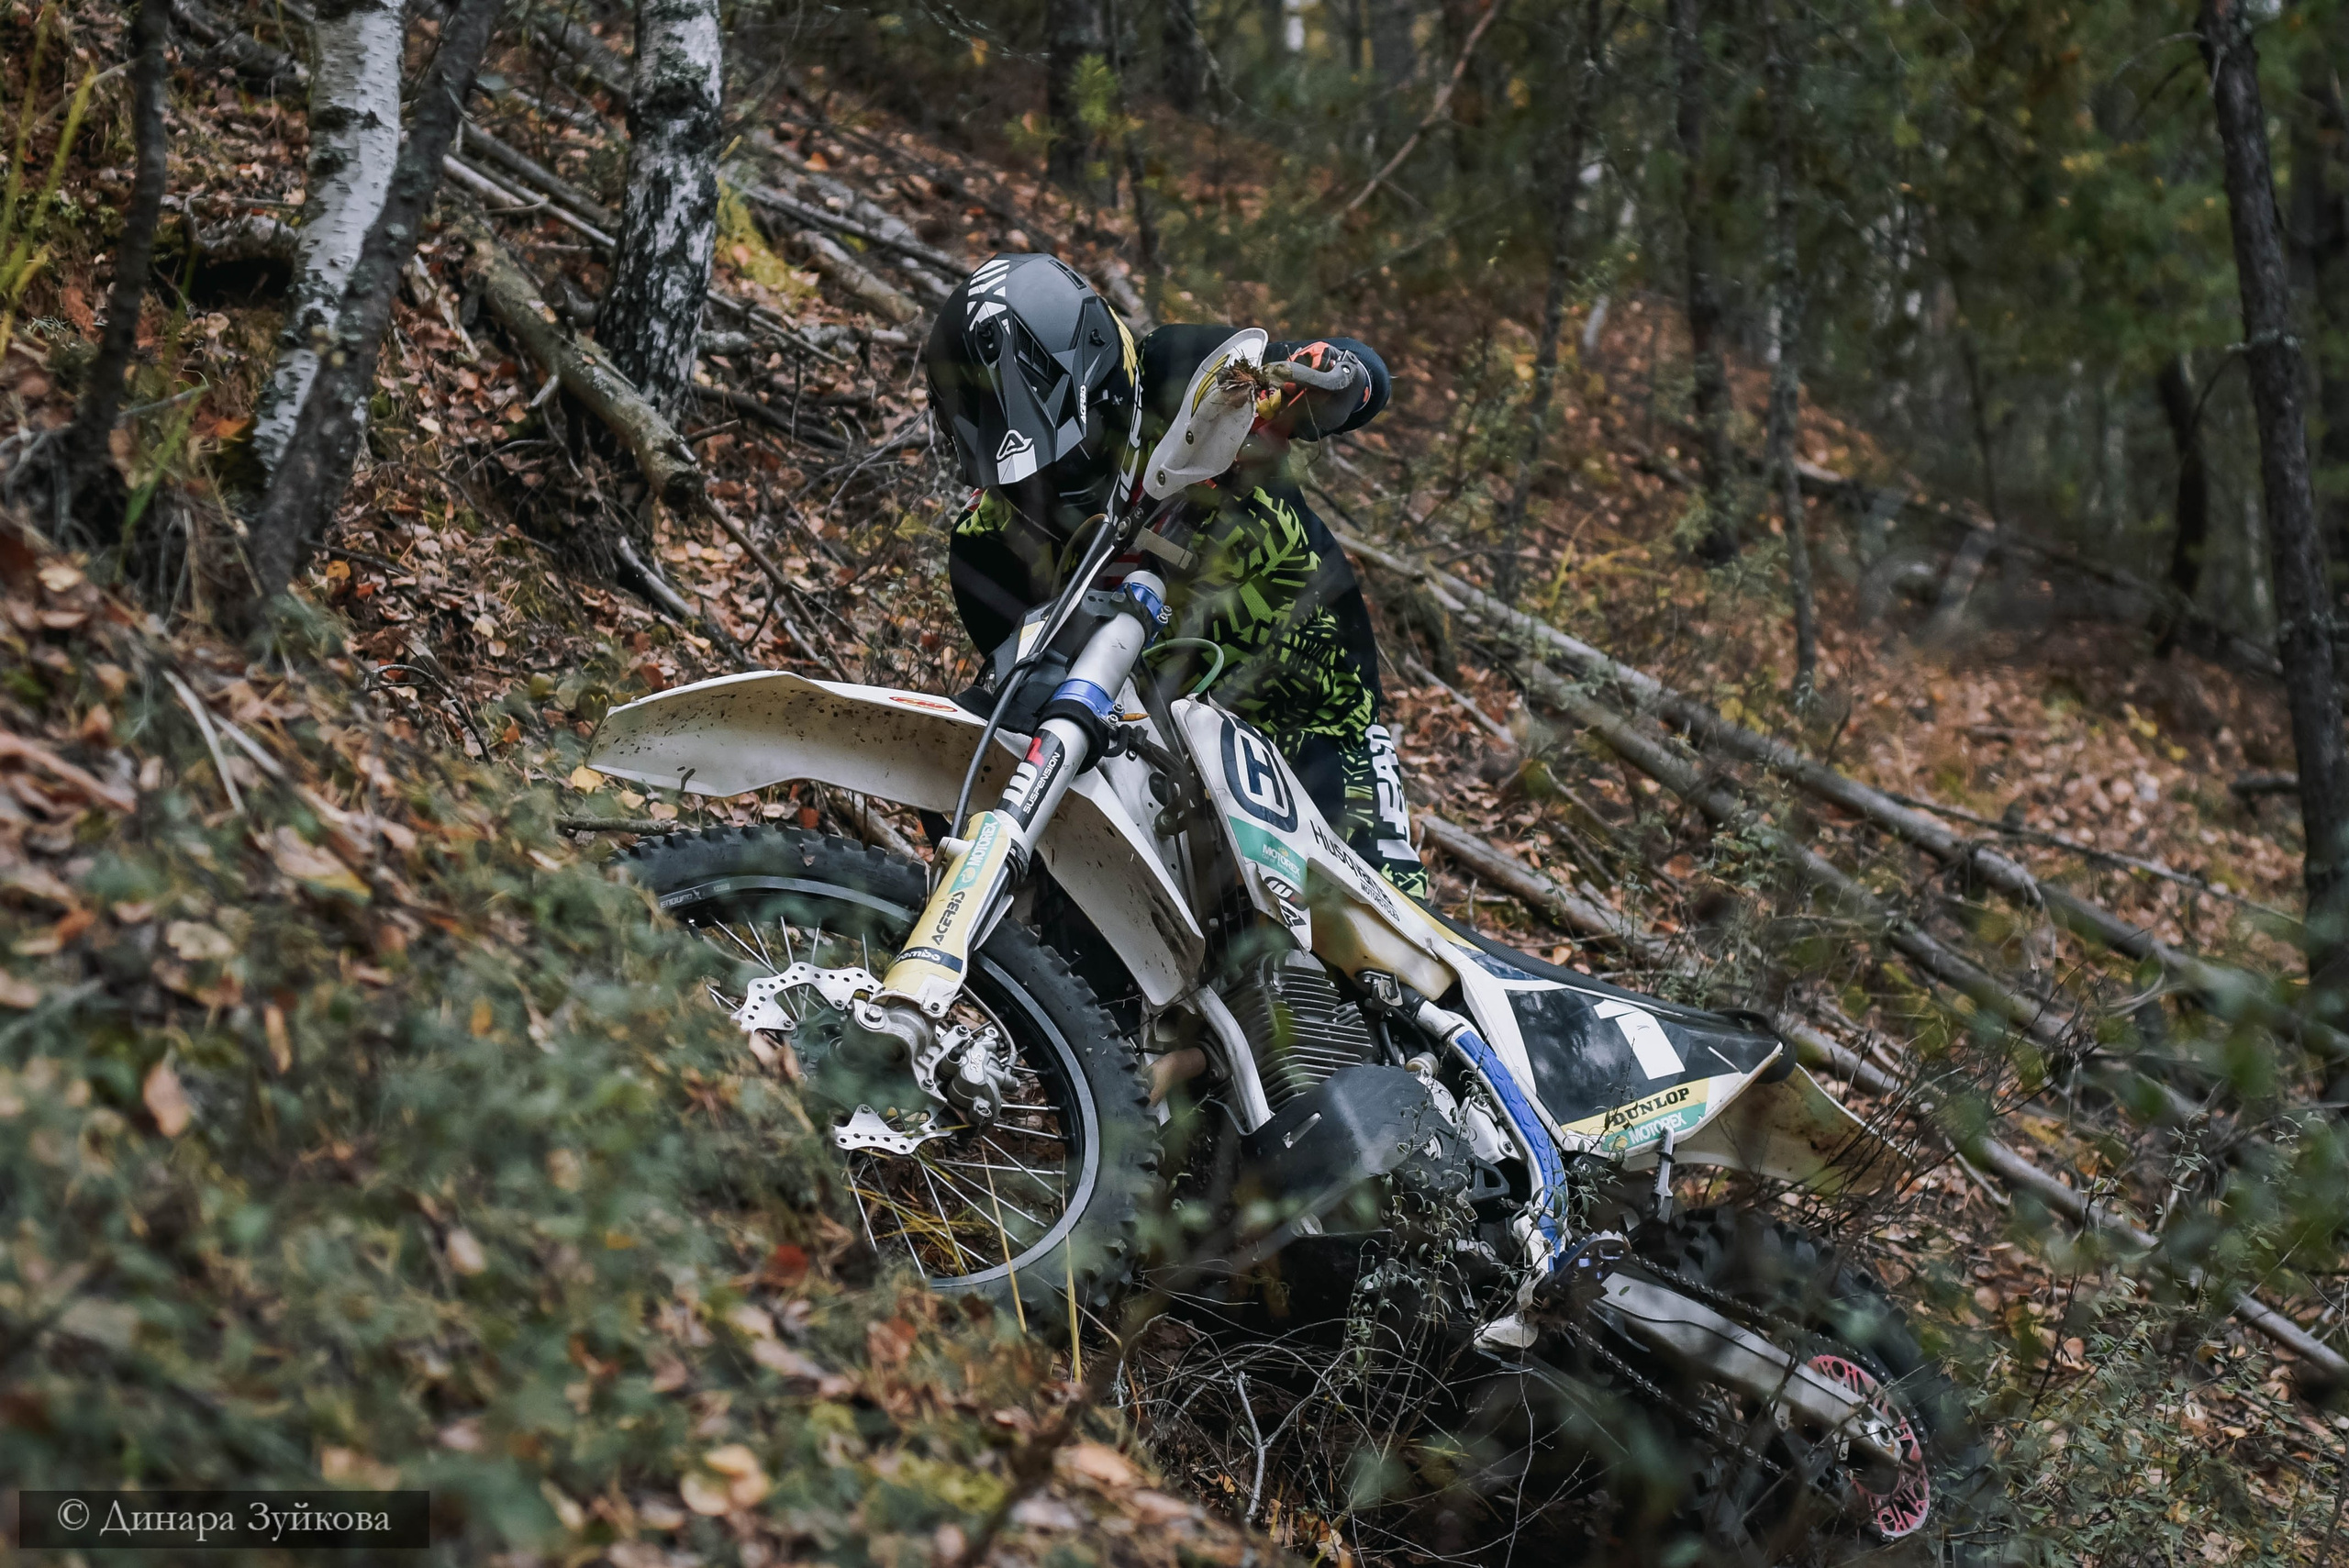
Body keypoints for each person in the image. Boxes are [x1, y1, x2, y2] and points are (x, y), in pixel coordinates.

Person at [924, 253, 1428, 899]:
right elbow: (1030, 698)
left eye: (1071, 456)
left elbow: (1355, 378)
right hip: (1164, 747)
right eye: (1023, 477)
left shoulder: (1187, 372)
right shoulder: (986, 548)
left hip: (1316, 716)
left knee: (1389, 927)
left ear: (1107, 378)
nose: (1049, 490)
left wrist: (1334, 378)